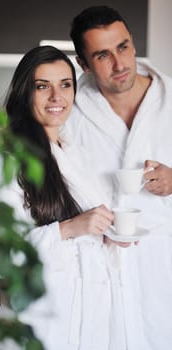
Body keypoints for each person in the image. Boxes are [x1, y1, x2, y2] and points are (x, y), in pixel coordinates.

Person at [0, 45, 131, 350]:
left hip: (93, 316)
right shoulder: (10, 162)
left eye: (65, 84)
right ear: (26, 93)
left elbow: (85, 234)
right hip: (46, 321)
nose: (56, 97)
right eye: (42, 86)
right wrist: (69, 228)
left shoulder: (76, 154)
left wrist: (106, 234)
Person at [67, 5, 172, 350]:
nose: (120, 63)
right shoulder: (70, 110)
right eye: (102, 55)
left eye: (123, 46)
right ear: (83, 64)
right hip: (96, 271)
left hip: (163, 268)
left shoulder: (169, 100)